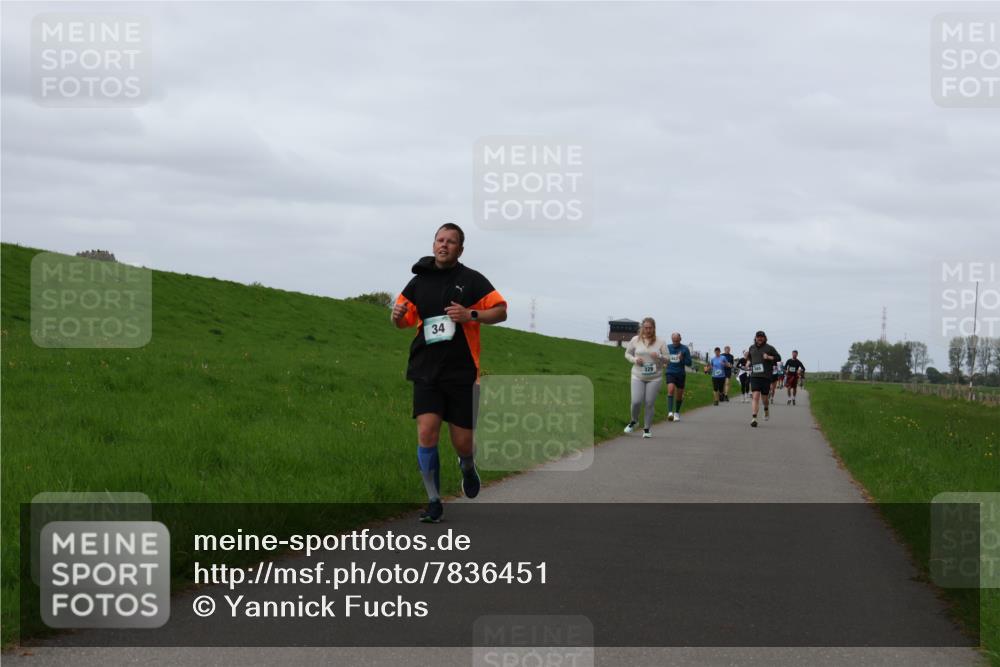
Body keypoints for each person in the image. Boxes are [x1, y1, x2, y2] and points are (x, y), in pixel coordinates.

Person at [392, 223, 508, 523]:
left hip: (462, 373)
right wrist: (397, 317)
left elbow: (500, 311)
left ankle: (467, 466)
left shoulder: (471, 280)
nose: (444, 245)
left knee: (463, 443)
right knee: (426, 433)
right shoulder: (419, 281)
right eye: (440, 240)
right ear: (433, 245)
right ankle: (433, 501)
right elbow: (404, 320)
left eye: (451, 241)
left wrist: (470, 314)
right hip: (426, 369)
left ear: (460, 249)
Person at [624, 318, 669, 438]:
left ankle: (647, 429)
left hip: (655, 377)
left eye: (650, 328)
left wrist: (659, 356)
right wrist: (634, 360)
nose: (648, 330)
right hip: (637, 375)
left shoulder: (660, 342)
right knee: (636, 401)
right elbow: (627, 354)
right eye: (645, 327)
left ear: (654, 328)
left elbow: (667, 359)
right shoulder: (635, 340)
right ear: (642, 328)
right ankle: (634, 420)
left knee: (649, 403)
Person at [745, 331, 781, 427]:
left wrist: (768, 357)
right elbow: (749, 358)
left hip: (766, 376)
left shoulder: (769, 348)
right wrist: (748, 362)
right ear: (755, 338)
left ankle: (766, 409)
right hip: (755, 376)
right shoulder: (751, 348)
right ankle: (754, 418)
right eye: (758, 337)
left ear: (764, 338)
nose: (759, 338)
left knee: (764, 399)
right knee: (755, 396)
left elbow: (778, 358)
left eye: (761, 337)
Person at [664, 332, 692, 422]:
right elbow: (663, 358)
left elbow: (689, 363)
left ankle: (676, 413)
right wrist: (664, 362)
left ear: (680, 339)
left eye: (677, 340)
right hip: (670, 372)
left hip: (680, 374)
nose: (675, 342)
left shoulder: (685, 349)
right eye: (673, 340)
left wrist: (682, 358)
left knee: (679, 395)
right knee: (671, 389)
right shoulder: (668, 347)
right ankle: (670, 413)